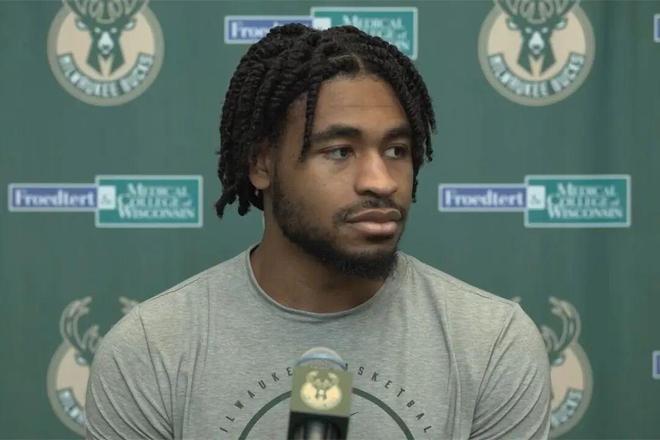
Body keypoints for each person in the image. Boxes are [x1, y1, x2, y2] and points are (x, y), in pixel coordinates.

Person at [86, 24, 550, 439]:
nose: (381, 182)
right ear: (262, 163)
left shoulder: (492, 344)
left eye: (396, 150)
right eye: (340, 151)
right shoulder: (150, 351)